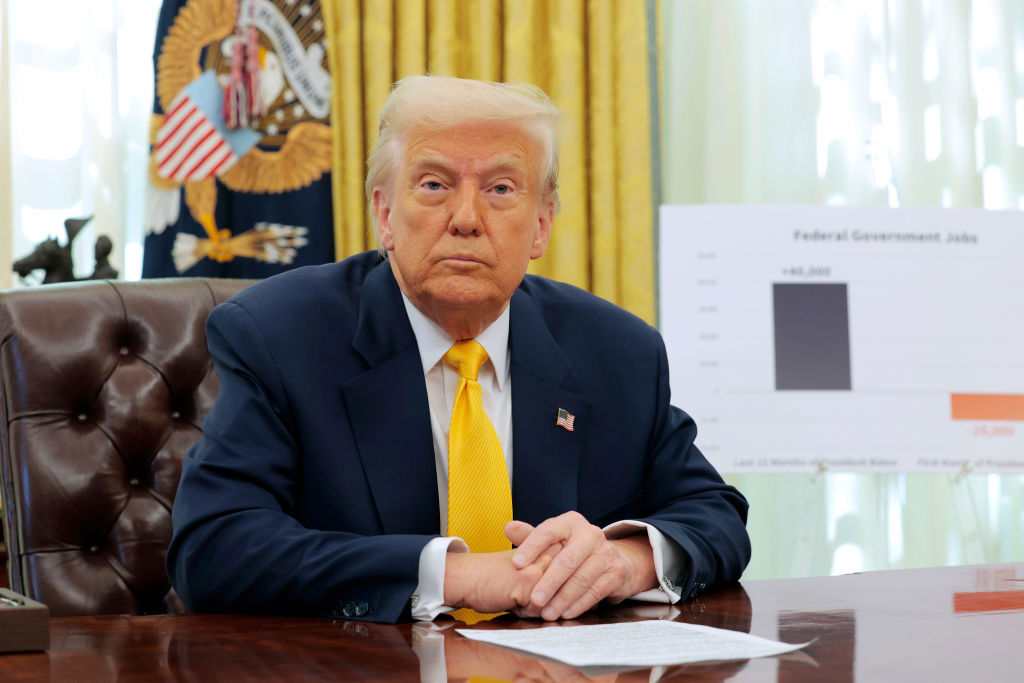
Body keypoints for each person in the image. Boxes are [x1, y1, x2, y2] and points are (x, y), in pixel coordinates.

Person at [167, 75, 750, 624]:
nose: (467, 218)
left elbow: (714, 513)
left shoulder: (618, 352)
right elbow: (214, 547)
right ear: (384, 214)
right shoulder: (279, 336)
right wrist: (458, 576)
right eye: (434, 185)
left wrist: (626, 561)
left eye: (501, 189)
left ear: (542, 225)